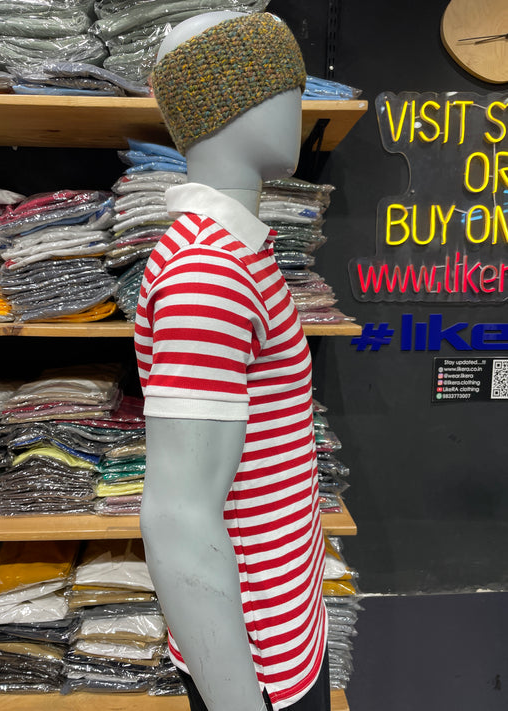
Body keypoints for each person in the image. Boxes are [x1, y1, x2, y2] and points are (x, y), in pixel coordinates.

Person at [135, 11, 329, 711]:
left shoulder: (236, 257)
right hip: (258, 666)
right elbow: (177, 517)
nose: (300, 101)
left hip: (284, 629)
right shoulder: (207, 275)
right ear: (232, 101)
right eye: (285, 83)